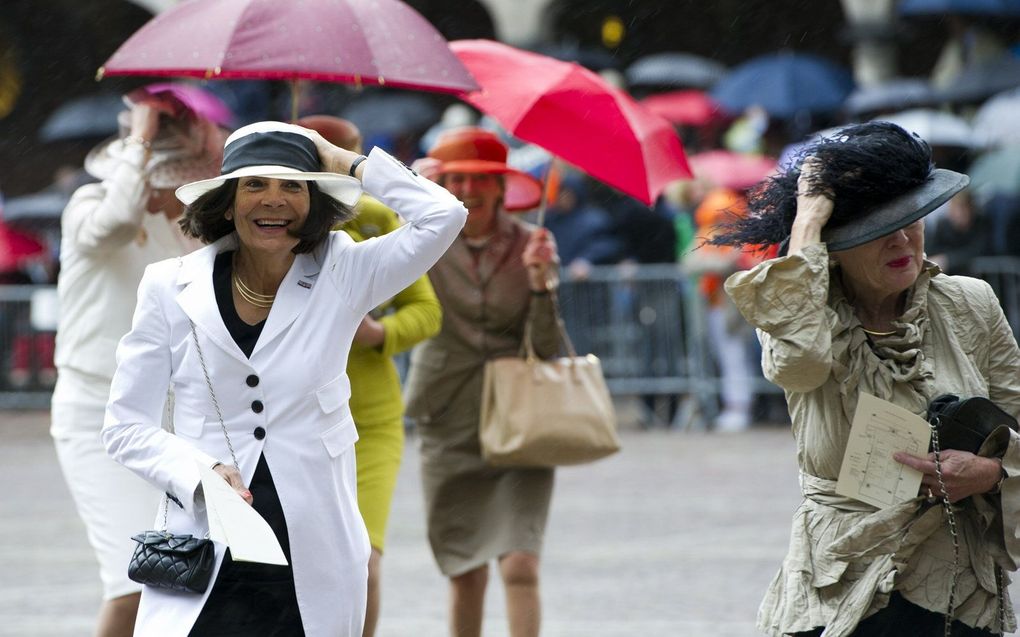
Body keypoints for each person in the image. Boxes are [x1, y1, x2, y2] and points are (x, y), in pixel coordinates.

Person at [101, 121, 466, 636]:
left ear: (314, 201)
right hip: (204, 547)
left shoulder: (344, 270)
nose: (273, 200)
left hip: (314, 553)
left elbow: (444, 215)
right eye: (255, 185)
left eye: (292, 185)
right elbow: (124, 427)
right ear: (227, 201)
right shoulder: (167, 285)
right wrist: (199, 470)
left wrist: (348, 163)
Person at [714, 121, 1019, 636]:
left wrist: (988, 473)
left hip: (955, 591)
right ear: (832, 246)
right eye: (879, 229)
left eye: (911, 218)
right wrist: (806, 223)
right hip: (837, 587)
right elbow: (800, 364)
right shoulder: (799, 314)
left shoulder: (970, 303)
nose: (903, 239)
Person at [50, 88, 224, 637]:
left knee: (189, 579)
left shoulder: (184, 237)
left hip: (171, 422)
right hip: (94, 415)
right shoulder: (89, 211)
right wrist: (143, 135)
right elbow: (120, 219)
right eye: (178, 178)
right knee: (133, 582)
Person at [402, 126, 560, 637]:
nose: (469, 190)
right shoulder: (421, 239)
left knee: (520, 564)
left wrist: (541, 286)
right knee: (464, 570)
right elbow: (366, 254)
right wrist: (408, 191)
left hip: (523, 419)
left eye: (481, 179)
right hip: (448, 417)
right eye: (458, 179)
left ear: (501, 187)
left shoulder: (530, 243)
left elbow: (550, 347)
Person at [297, 114, 443, 637]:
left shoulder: (380, 220)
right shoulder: (271, 228)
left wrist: (381, 335)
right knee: (299, 567)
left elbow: (427, 311)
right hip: (297, 422)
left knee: (363, 560)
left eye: (344, 163)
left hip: (373, 422)